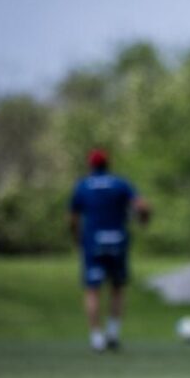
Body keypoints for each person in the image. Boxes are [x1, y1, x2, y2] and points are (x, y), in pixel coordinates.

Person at [69, 149, 150, 352]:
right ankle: (113, 334)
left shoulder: (83, 186)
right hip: (118, 241)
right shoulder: (120, 183)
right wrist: (143, 220)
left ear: (90, 164)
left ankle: (96, 338)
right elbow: (141, 205)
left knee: (92, 290)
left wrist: (77, 238)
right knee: (117, 287)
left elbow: (72, 218)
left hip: (93, 242)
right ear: (108, 163)